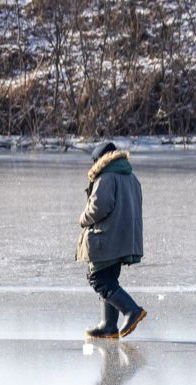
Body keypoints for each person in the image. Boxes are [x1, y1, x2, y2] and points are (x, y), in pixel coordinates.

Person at [76, 141, 147, 338]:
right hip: (124, 238)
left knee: (98, 279)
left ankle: (131, 310)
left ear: (99, 160)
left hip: (106, 237)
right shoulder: (130, 176)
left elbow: (99, 207)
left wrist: (83, 218)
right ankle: (108, 325)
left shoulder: (106, 177)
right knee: (110, 278)